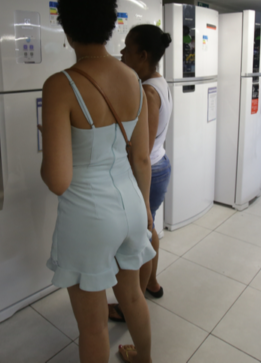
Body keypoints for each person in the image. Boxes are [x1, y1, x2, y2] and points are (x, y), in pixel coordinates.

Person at [40, 0, 156, 363]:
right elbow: (141, 158)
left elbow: (58, 180)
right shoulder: (134, 78)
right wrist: (145, 211)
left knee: (92, 327)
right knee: (133, 296)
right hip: (131, 205)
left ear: (65, 23)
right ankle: (144, 359)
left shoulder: (60, 85)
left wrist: (49, 142)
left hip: (89, 215)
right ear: (110, 22)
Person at [107, 24, 173, 323]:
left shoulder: (147, 91)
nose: (122, 52)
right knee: (149, 230)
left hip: (149, 170)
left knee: (140, 240)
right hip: (159, 164)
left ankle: (131, 304)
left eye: (127, 48)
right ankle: (152, 283)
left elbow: (141, 150)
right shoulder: (158, 81)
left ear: (143, 55)